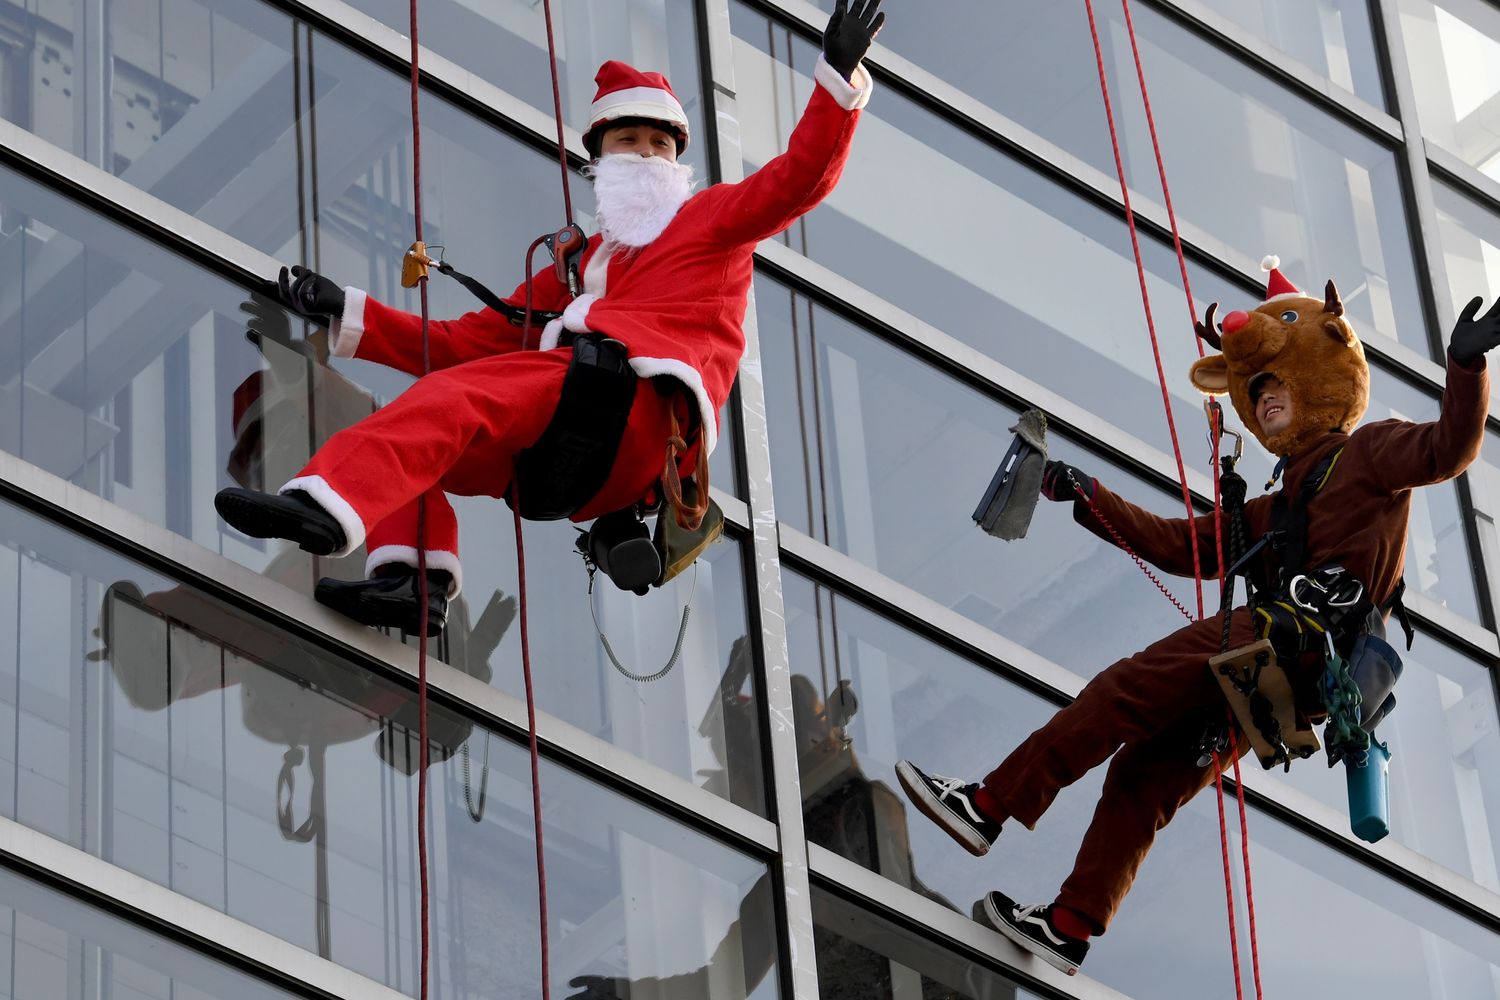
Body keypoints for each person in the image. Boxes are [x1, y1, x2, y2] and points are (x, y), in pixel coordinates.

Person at [895, 258, 1500, 976]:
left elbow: (1448, 449)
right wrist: (1088, 495)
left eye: (1278, 384)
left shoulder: (1369, 452)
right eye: (1258, 391)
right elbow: (1181, 544)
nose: (1266, 399)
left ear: (1322, 373)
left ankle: (990, 805)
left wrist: (1466, 369)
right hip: (1277, 686)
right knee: (1144, 775)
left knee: (1124, 689)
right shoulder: (1273, 508)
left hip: (1294, 639)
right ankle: (1069, 926)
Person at [215, 0, 886, 635]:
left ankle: (321, 506)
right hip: (583, 456)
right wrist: (349, 311)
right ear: (600, 156)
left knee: (451, 402)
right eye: (629, 139)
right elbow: (463, 345)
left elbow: (797, 180)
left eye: (660, 143)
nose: (646, 153)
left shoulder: (711, 219)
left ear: (678, 160)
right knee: (423, 439)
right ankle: (414, 583)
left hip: (639, 409)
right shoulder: (578, 265)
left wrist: (837, 80)